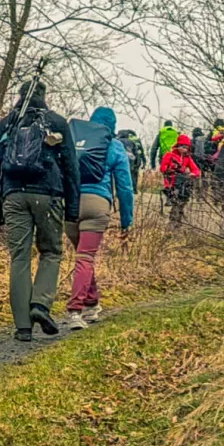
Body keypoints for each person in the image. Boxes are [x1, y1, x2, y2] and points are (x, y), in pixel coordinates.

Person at [0, 76, 80, 341]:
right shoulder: (57, 123)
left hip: (13, 197)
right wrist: (73, 209)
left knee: (19, 258)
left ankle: (23, 327)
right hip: (48, 196)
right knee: (50, 252)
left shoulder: (5, 125)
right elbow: (71, 168)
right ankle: (40, 304)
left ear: (20, 95)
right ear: (44, 95)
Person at [62, 107, 135, 333]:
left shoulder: (75, 140)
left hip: (70, 203)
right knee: (85, 258)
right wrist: (126, 220)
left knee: (83, 256)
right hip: (97, 204)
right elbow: (124, 187)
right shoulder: (114, 147)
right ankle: (76, 311)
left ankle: (92, 304)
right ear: (112, 126)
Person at [159, 133, 200, 226]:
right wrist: (170, 169)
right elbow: (162, 168)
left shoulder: (187, 158)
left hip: (182, 184)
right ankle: (173, 222)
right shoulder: (169, 155)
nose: (184, 149)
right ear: (178, 146)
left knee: (181, 203)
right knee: (176, 203)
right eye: (183, 147)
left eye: (186, 148)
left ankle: (176, 222)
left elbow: (196, 170)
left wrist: (191, 174)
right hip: (170, 183)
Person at [120, 127, 146, 192]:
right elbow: (140, 151)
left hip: (123, 160)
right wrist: (143, 161)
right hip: (135, 159)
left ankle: (125, 189)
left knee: (124, 174)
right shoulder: (136, 140)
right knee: (134, 174)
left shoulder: (118, 140)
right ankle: (134, 189)